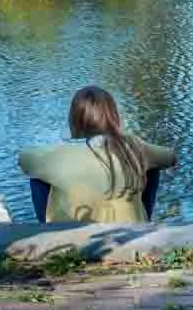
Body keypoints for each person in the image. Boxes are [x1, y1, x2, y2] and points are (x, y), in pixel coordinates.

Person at [18, 86, 177, 225]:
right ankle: (143, 221)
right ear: (113, 117)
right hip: (130, 236)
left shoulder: (57, 156)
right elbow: (170, 157)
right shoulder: (134, 146)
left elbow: (23, 160)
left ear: (73, 120)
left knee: (38, 177)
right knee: (152, 165)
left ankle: (47, 230)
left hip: (73, 243)